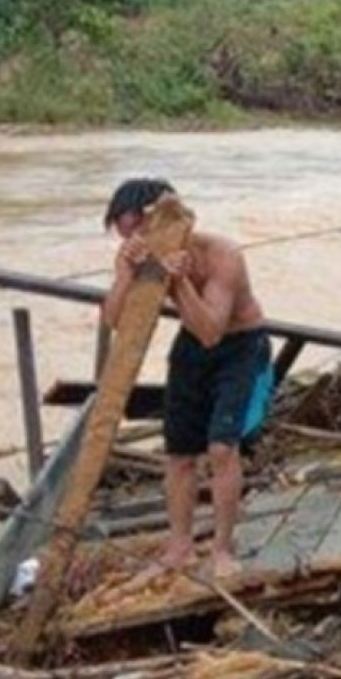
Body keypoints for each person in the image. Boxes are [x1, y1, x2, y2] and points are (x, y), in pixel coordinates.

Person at [102, 178, 272, 579]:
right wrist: (126, 273)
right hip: (191, 348)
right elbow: (112, 320)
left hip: (238, 346)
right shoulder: (138, 257)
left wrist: (176, 282)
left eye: (140, 233)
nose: (135, 242)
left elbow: (212, 330)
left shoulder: (221, 255)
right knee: (179, 454)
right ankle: (180, 546)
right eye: (127, 236)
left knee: (220, 449)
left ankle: (222, 549)